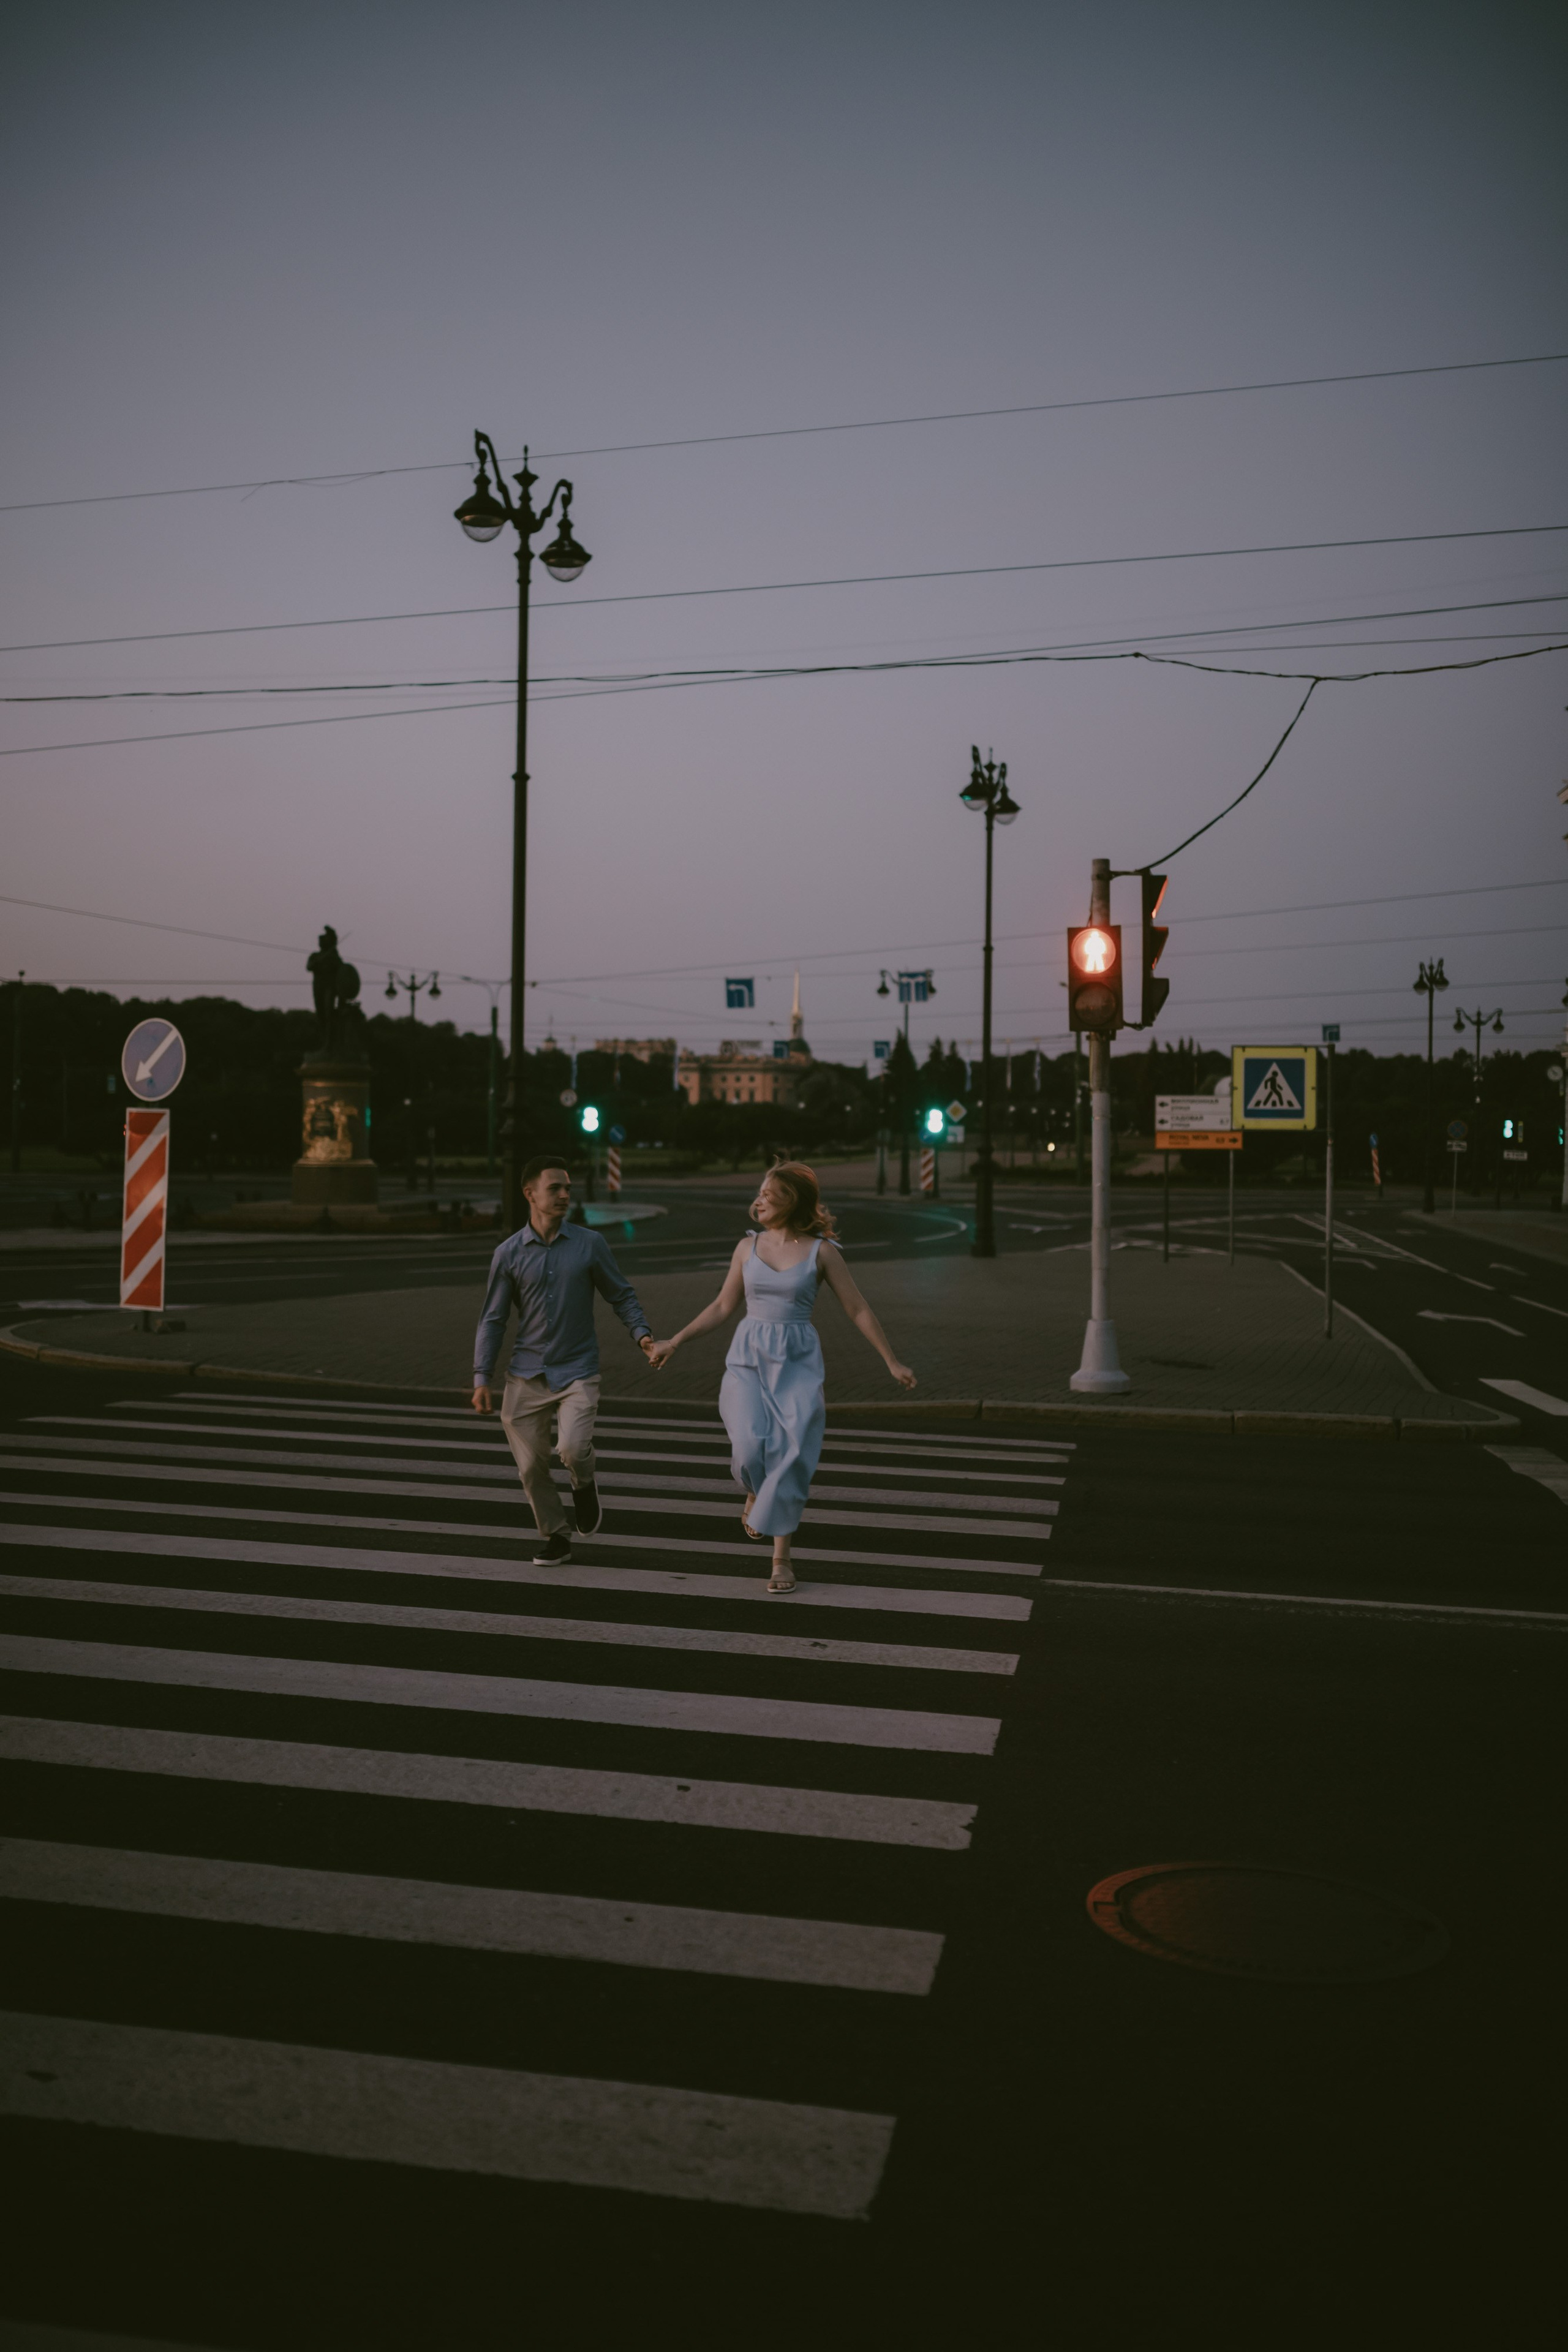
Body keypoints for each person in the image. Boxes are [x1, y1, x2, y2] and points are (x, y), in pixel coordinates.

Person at [647, 1161, 915, 1593]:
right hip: (749, 1357)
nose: (759, 1200)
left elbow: (857, 1308)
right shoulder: (746, 1248)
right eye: (759, 1193)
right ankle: (755, 1493)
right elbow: (721, 1307)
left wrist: (891, 1360)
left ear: (791, 1202)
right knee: (751, 1448)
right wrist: (675, 1341)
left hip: (797, 1362)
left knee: (789, 1458)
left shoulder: (821, 1252)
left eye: (768, 1195)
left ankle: (781, 1560)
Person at [473, 1155, 655, 1563]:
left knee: (572, 1449)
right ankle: (556, 1536)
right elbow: (494, 1318)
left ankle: (584, 1482)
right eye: (554, 1188)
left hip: (577, 1371)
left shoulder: (590, 1244)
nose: (564, 1195)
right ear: (530, 1194)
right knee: (531, 1468)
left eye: (567, 1188)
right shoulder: (508, 1254)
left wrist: (641, 1334)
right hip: (525, 1374)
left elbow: (621, 1294)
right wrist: (481, 1378)